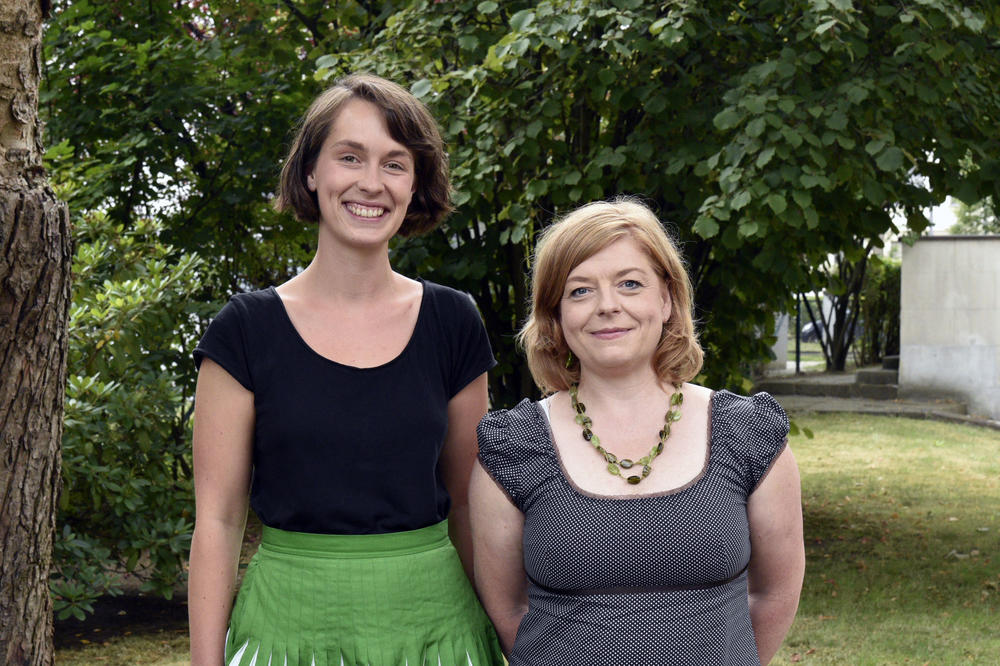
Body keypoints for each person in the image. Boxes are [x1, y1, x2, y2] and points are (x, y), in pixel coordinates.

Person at [188, 73, 504, 666]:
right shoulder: (245, 330)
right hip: (287, 628)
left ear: (415, 184)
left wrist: (501, 633)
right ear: (312, 171)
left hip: (436, 629)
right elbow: (220, 520)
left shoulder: (452, 321)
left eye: (394, 163)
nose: (370, 183)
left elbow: (468, 507)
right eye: (349, 156)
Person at [470, 198, 804, 665]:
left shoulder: (746, 435)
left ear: (666, 299)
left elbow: (774, 594)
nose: (608, 306)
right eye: (580, 291)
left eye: (630, 284)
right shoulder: (513, 450)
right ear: (557, 316)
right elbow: (509, 609)